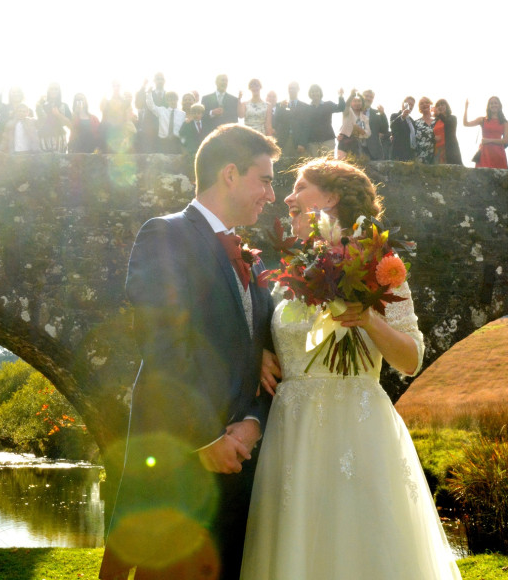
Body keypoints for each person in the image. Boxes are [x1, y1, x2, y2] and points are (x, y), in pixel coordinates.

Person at [240, 158, 462, 580]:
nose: (287, 197)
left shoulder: (379, 268)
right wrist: (261, 354)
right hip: (292, 433)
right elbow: (282, 339)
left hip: (356, 430)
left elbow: (411, 360)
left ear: (332, 197)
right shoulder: (290, 272)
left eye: (300, 187)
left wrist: (368, 318)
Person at [100, 124, 281, 580]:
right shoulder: (166, 235)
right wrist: (207, 438)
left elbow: (264, 357)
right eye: (266, 179)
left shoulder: (253, 259)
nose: (272, 195)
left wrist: (253, 425)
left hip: (239, 478)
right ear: (230, 174)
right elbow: (163, 348)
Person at [464, 96, 508, 169]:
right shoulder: (482, 120)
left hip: (499, 154)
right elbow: (466, 124)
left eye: (495, 103)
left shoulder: (505, 122)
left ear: (499, 106)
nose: (493, 105)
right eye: (491, 103)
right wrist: (466, 108)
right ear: (488, 106)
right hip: (485, 154)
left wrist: (489, 140)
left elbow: (506, 140)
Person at [303, 85, 345, 156]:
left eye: (317, 91)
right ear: (310, 94)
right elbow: (305, 125)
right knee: (314, 165)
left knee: (328, 165)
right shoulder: (307, 108)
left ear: (320, 93)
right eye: (312, 92)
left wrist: (340, 95)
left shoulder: (328, 104)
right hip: (313, 142)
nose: (315, 94)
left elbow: (341, 108)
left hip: (327, 140)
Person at [144, 87, 185, 154]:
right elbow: (151, 106)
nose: (172, 101)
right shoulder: (162, 111)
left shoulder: (183, 114)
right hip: (163, 142)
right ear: (167, 101)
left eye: (174, 99)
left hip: (177, 142)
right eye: (170, 100)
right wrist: (149, 93)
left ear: (177, 100)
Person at [36, 82, 72, 153]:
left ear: (59, 91)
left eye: (56, 89)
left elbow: (70, 125)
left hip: (59, 137)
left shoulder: (64, 105)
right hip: (43, 137)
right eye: (51, 89)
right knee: (44, 163)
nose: (53, 91)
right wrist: (39, 105)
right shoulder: (41, 105)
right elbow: (38, 123)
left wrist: (58, 114)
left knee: (60, 162)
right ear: (48, 91)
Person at [336, 89, 371, 159]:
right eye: (354, 101)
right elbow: (346, 106)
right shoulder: (347, 112)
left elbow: (367, 134)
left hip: (356, 143)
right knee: (342, 165)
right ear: (351, 102)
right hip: (344, 141)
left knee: (356, 165)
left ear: (362, 103)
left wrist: (359, 129)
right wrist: (351, 95)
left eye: (359, 101)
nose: (357, 103)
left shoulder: (364, 118)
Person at [361, 89, 390, 160]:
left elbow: (384, 130)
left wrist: (383, 114)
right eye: (366, 96)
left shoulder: (377, 113)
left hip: (374, 152)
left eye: (371, 97)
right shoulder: (354, 111)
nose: (368, 98)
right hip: (357, 150)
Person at [432, 99, 462, 165]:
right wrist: (434, 137)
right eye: (438, 106)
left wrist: (440, 114)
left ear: (446, 106)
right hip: (437, 149)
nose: (440, 107)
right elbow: (432, 133)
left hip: (449, 149)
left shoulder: (452, 118)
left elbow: (448, 125)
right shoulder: (435, 121)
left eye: (442, 105)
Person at [390, 96, 417, 162]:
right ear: (403, 104)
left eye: (412, 105)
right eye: (408, 104)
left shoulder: (412, 121)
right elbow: (393, 127)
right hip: (398, 155)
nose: (410, 106)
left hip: (410, 155)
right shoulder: (395, 116)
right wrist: (402, 117)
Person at [414, 97, 435, 164]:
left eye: (427, 102)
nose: (424, 104)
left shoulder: (437, 121)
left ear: (430, 105)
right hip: (420, 157)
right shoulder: (415, 123)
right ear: (419, 108)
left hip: (435, 156)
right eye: (422, 103)